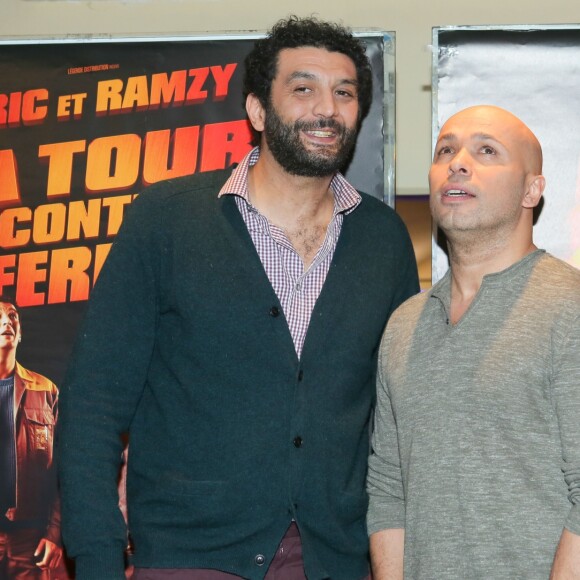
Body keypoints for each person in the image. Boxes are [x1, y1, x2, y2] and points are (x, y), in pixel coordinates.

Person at [58, 16, 419, 580]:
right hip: (188, 555)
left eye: (343, 93)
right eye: (304, 89)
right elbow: (94, 402)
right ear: (257, 110)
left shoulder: (384, 239)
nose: (327, 108)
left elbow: (397, 418)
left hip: (335, 557)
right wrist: (98, 558)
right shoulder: (168, 218)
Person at [367, 105, 580, 579]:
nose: (458, 162)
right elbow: (388, 491)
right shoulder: (403, 324)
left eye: (487, 151)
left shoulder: (570, 307)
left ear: (532, 189)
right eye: (446, 149)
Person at [0, 296, 64, 578]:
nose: (6, 322)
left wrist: (54, 532)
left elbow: (63, 467)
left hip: (30, 539)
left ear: (21, 331)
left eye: (13, 316)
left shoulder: (45, 390)